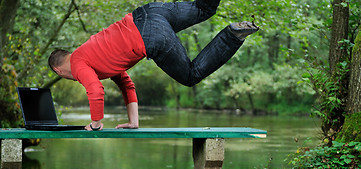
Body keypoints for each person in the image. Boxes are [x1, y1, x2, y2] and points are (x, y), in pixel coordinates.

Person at [48, 0, 259, 131]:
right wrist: (134, 121)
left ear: (58, 70)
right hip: (150, 12)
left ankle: (232, 35)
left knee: (190, 75)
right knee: (204, 9)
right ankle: (234, 31)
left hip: (150, 36)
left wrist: (94, 124)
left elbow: (95, 91)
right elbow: (126, 84)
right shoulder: (94, 56)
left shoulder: (77, 64)